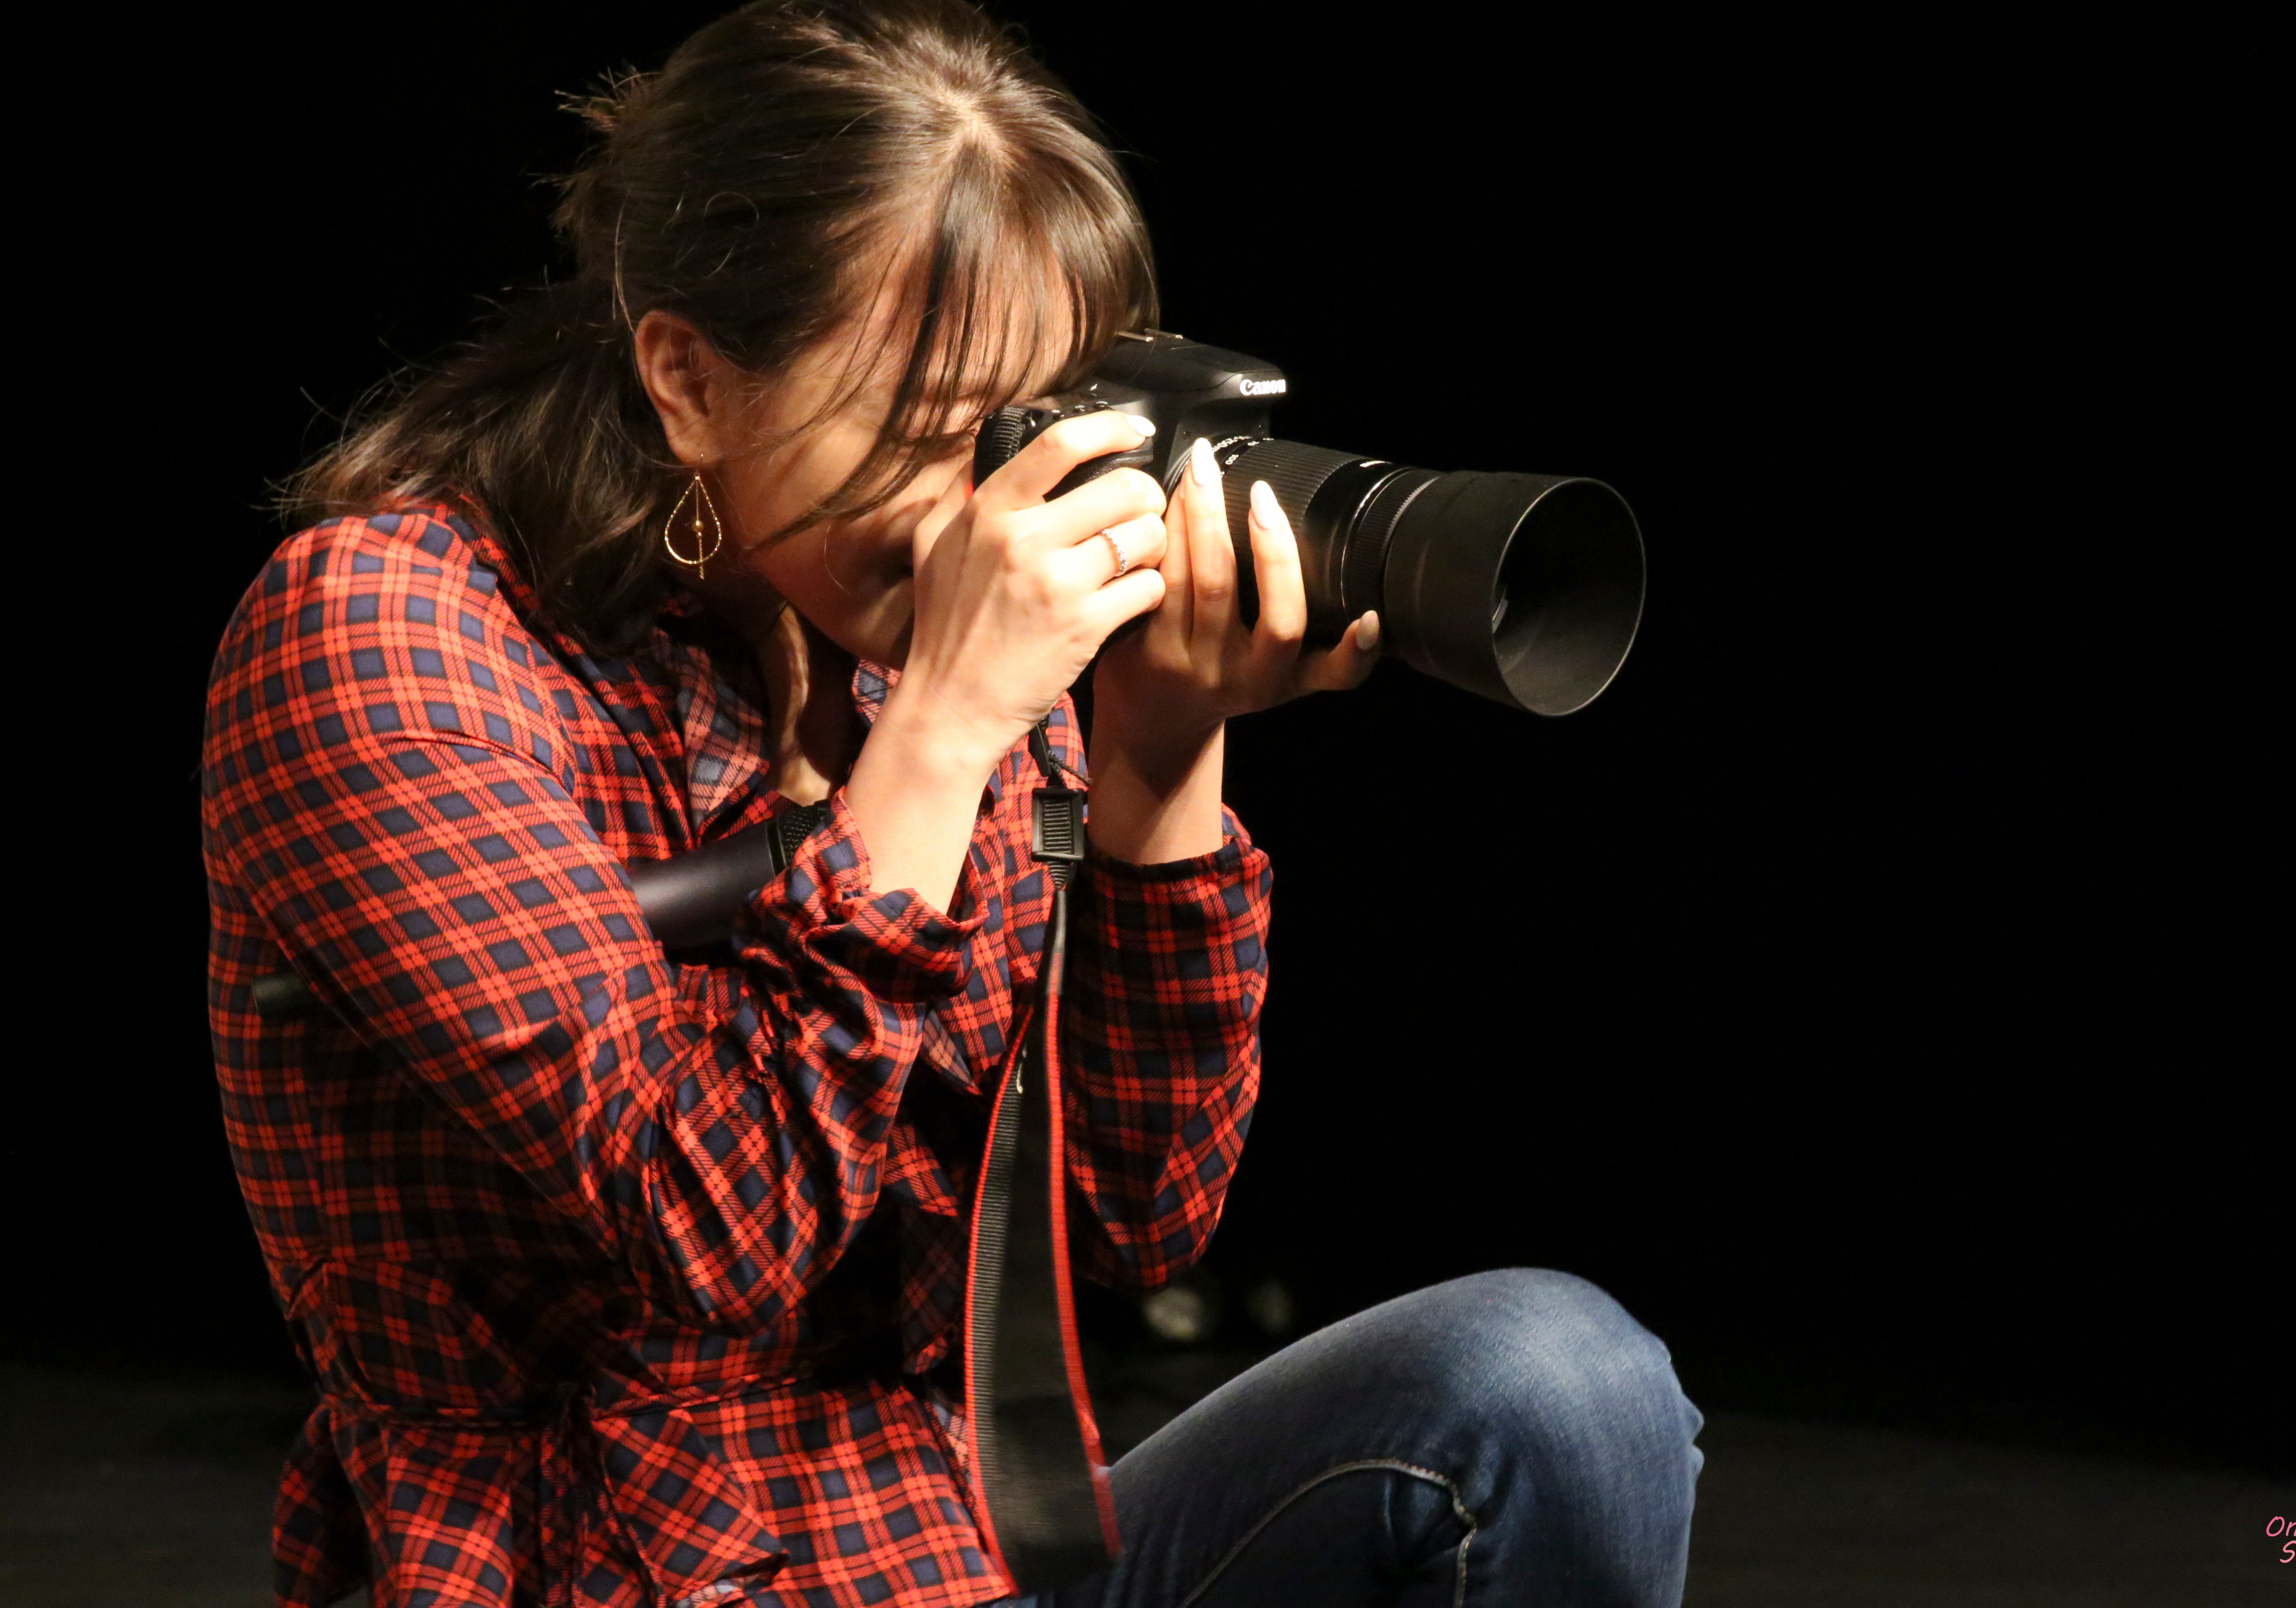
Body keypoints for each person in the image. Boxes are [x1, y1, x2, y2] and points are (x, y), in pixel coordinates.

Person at [198, 3, 1703, 1604]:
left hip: (938, 1553)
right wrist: (942, 734)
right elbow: (717, 1230)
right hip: (598, 1564)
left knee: (1554, 1382)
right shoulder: (389, 632)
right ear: (689, 378)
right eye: (931, 435)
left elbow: (1129, 1216)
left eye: (1025, 436)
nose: (991, 509)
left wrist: (1161, 747)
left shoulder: (933, 627)